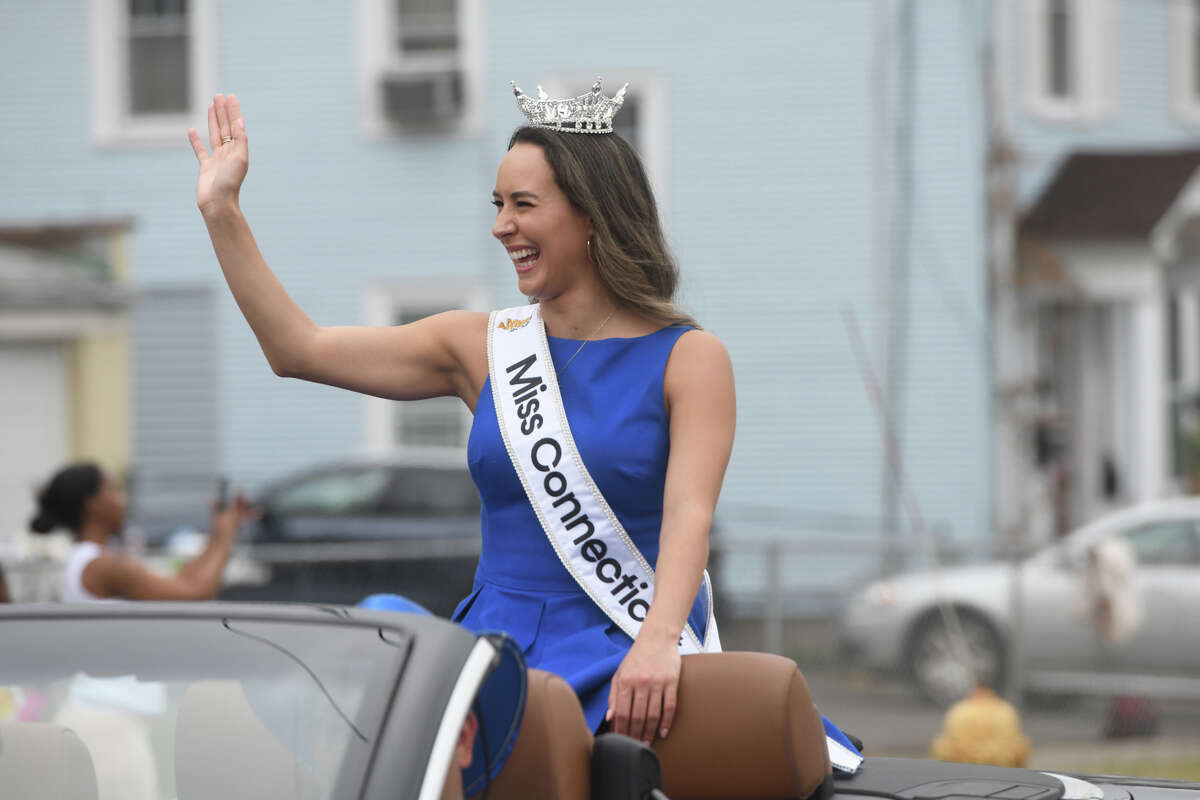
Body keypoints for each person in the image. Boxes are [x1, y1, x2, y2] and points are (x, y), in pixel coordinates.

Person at [186, 84, 735, 747]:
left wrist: (658, 642)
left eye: (523, 204)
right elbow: (297, 350)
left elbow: (689, 516)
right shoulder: (484, 347)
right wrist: (222, 211)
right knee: (370, 639)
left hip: (622, 646)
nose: (502, 226)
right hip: (492, 647)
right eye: (498, 205)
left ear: (592, 214)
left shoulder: (688, 358)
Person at [30, 462, 256, 601]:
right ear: (93, 504)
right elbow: (195, 592)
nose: (124, 501)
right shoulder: (108, 567)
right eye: (114, 490)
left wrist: (220, 534)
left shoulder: (85, 560)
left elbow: (181, 581)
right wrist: (226, 535)